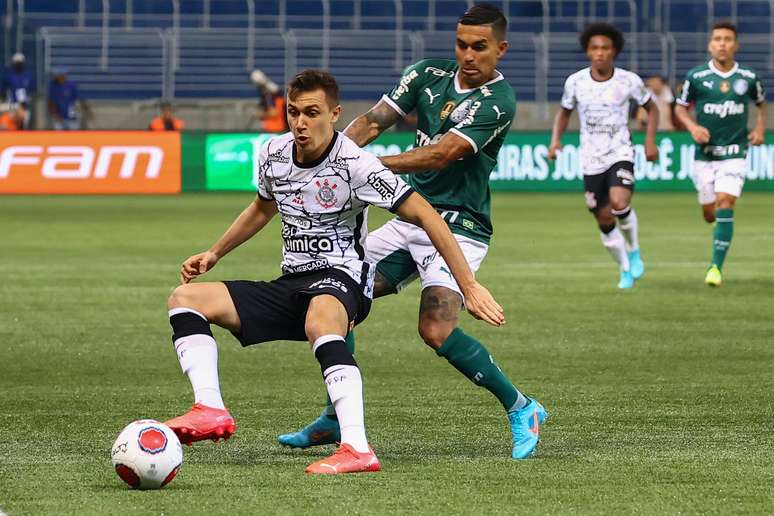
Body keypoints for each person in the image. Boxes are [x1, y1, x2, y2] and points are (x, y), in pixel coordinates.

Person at [163, 69, 505, 474]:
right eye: (293, 112)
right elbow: (262, 207)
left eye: (312, 112)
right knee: (185, 299)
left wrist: (469, 284)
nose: (301, 123)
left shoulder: (356, 164)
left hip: (343, 280)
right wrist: (214, 252)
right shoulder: (273, 153)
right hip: (293, 282)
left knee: (321, 317)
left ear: (335, 114)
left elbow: (427, 215)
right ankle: (210, 409)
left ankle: (357, 448)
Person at [278, 3, 547, 461]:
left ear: (500, 49)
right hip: (408, 219)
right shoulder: (426, 74)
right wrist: (337, 147)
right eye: (462, 44)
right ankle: (335, 417)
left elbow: (442, 154)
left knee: (436, 329)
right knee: (337, 289)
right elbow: (372, 121)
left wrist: (361, 166)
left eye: (479, 47)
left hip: (459, 225)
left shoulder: (499, 101)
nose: (468, 54)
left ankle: (523, 408)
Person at [548, 23, 659, 289]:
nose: (600, 53)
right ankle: (624, 268)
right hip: (590, 158)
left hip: (620, 151)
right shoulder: (575, 82)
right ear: (588, 51)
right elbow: (564, 112)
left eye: (605, 48)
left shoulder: (628, 80)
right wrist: (555, 141)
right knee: (604, 218)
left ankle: (633, 250)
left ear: (614, 51)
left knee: (619, 202)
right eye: (595, 48)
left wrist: (650, 141)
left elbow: (652, 108)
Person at [674, 21, 767, 287]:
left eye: (728, 39)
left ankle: (715, 268)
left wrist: (759, 128)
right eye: (717, 39)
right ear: (710, 45)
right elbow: (680, 109)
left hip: (735, 152)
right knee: (709, 213)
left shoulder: (748, 77)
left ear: (736, 45)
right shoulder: (696, 77)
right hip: (705, 155)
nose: (722, 43)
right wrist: (693, 127)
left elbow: (761, 105)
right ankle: (718, 224)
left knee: (725, 202)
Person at [2, 53, 34, 128]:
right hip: (12, 104)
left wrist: (26, 102)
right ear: (14, 63)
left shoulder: (28, 74)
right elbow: (3, 90)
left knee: (25, 122)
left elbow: (31, 90)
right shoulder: (9, 75)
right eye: (17, 63)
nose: (18, 64)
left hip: (25, 105)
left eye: (20, 63)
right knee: (9, 123)